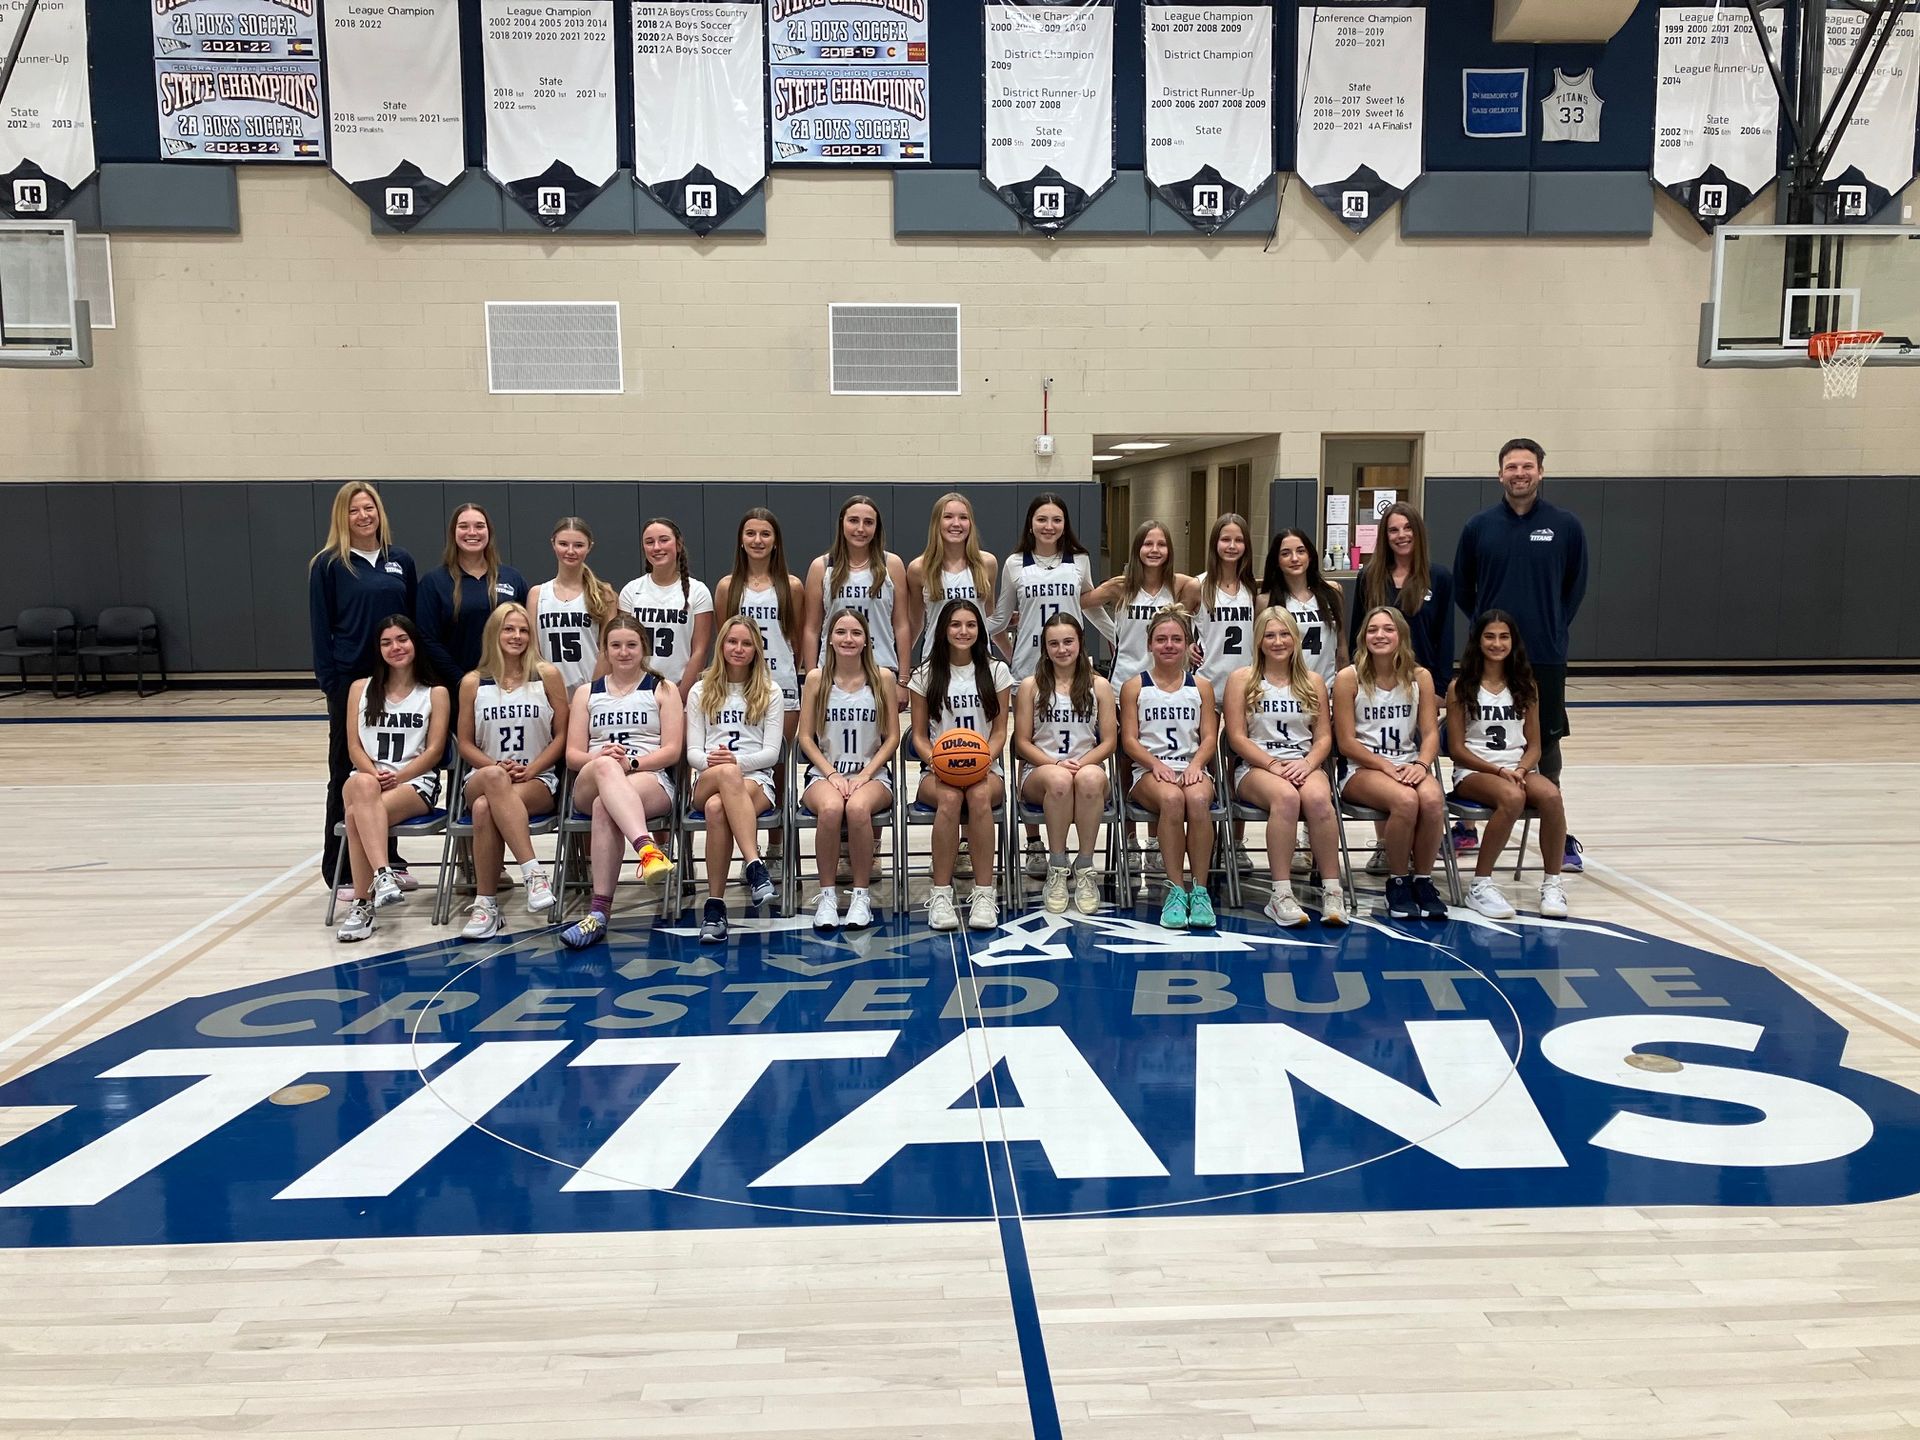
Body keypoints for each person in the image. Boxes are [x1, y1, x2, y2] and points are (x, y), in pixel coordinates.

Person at [1453, 438, 1589, 870]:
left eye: (1527, 467)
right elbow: (1463, 588)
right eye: (1511, 467)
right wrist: (1489, 630)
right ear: (1500, 475)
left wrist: (1546, 627)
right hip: (1488, 652)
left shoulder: (1565, 526)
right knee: (1476, 726)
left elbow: (1575, 587)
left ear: (1541, 472)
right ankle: (1465, 826)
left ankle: (1557, 830)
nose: (1519, 474)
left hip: (1544, 654)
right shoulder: (1479, 526)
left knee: (1545, 738)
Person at [990, 493, 1112, 880]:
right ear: (1030, 524)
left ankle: (1075, 857)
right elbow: (1001, 616)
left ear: (1065, 524)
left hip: (1072, 660)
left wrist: (1117, 634)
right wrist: (966, 640)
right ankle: (1035, 843)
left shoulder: (1079, 561)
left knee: (1076, 739)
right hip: (1029, 665)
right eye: (1042, 519)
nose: (1049, 526)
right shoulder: (1013, 564)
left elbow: (1088, 604)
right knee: (1033, 745)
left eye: (1056, 519)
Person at [310, 482, 418, 894]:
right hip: (351, 681)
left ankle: (388, 859)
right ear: (343, 516)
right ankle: (339, 867)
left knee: (388, 768)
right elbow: (320, 628)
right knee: (348, 770)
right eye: (354, 510)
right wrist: (331, 682)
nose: (363, 516)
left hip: (396, 681)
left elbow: (409, 624)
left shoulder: (400, 560)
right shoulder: (328, 565)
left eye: (369, 508)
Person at [1348, 502, 1467, 856]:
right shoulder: (1370, 576)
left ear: (1418, 533)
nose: (1401, 536)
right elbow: (1359, 631)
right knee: (1381, 756)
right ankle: (1389, 845)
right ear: (1385, 537)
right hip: (1376, 684)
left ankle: (1419, 849)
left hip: (1420, 684)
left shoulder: (1439, 577)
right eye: (1393, 530)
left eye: (1407, 529)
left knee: (1413, 761)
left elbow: (1446, 635)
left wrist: (1442, 687)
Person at [557, 615, 680, 950]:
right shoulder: (587, 693)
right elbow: (572, 755)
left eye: (631, 645)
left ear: (644, 648)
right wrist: (603, 758)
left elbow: (671, 750)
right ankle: (647, 848)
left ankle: (597, 915)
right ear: (605, 650)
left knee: (605, 805)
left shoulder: (663, 689)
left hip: (646, 778)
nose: (624, 652)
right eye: (616, 645)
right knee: (605, 769)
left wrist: (633, 762)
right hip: (590, 777)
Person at [1223, 607, 1346, 927]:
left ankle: (1332, 890)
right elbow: (1236, 737)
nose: (1277, 641)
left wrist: (1306, 764)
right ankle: (1280, 894)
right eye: (1270, 635)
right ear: (1259, 641)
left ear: (1296, 638)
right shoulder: (1241, 678)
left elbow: (1323, 738)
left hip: (1303, 764)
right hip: (1256, 768)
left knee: (1320, 800)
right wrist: (1273, 764)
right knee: (1287, 798)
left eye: (1284, 634)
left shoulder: (1313, 681)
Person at [1446, 610, 1571, 919]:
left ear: (1513, 642)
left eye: (1504, 637)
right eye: (1490, 636)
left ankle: (1552, 883)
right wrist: (1499, 771)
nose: (1497, 643)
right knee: (1512, 797)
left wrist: (1520, 769)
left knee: (1552, 796)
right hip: (1475, 772)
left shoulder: (1526, 685)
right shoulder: (1460, 687)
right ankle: (1480, 884)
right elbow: (1457, 749)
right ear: (1477, 641)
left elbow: (1536, 745)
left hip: (1517, 768)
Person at [453, 602, 567, 939]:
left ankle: (486, 904)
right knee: (491, 782)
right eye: (508, 629)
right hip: (483, 774)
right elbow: (465, 743)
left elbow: (561, 735)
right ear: (494, 633)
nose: (516, 636)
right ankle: (533, 873)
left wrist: (533, 768)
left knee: (486, 808)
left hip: (536, 779)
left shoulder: (547, 675)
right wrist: (494, 767)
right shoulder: (473, 682)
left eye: (523, 630)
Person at [335, 616, 449, 943]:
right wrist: (374, 774)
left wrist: (398, 776)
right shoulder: (361, 688)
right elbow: (354, 746)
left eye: (402, 639)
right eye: (386, 642)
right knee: (360, 787)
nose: (395, 648)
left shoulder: (435, 693)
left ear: (415, 643)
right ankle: (383, 876)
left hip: (414, 784)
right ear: (378, 649)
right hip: (366, 780)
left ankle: (362, 904)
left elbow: (436, 750)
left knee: (356, 814)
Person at [1088, 518, 1189, 875]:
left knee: (1158, 755)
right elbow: (1084, 601)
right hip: (1124, 684)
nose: (1155, 550)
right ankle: (1129, 839)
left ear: (1169, 550)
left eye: (1161, 544)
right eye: (1148, 544)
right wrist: (1111, 632)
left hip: (1165, 686)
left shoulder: (1179, 586)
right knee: (1127, 762)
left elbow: (1205, 600)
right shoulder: (1121, 586)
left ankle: (1156, 840)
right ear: (1137, 549)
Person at [1334, 606, 1448, 923]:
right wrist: (1384, 766)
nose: (1380, 635)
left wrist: (1422, 765)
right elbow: (1346, 743)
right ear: (1363, 636)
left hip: (1408, 762)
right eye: (1373, 630)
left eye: (1388, 629)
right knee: (1405, 799)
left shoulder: (1419, 677)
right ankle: (1397, 882)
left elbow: (1429, 732)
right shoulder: (1348, 678)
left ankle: (1423, 881)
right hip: (1362, 769)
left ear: (1401, 635)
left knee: (1433, 799)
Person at [909, 598, 1015, 932]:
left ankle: (984, 894)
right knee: (951, 798)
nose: (963, 631)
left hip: (985, 769)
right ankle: (941, 894)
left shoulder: (996, 671)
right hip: (936, 770)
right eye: (956, 624)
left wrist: (983, 760)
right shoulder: (924, 674)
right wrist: (938, 762)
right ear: (943, 630)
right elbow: (919, 736)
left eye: (971, 625)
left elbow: (1000, 732)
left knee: (979, 797)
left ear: (980, 630)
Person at [797, 607, 901, 932]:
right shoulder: (816, 679)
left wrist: (866, 774)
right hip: (826, 773)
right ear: (829, 639)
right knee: (830, 809)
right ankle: (827, 896)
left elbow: (893, 736)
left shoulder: (883, 678)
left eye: (856, 633)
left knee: (857, 809)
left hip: (871, 775)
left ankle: (860, 895)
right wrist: (831, 773)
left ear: (867, 640)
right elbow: (805, 737)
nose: (848, 639)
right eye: (841, 632)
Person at [1120, 606, 1220, 931]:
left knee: (1199, 799)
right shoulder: (1134, 686)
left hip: (1191, 767)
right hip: (1148, 773)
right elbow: (1130, 740)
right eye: (1161, 639)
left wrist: (1197, 764)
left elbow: (1208, 737)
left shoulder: (1201, 686)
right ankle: (1176, 890)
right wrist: (1154, 764)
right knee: (1173, 800)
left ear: (1188, 644)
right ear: (1149, 644)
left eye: (1176, 639)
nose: (1169, 645)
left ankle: (1200, 890)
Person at [685, 618, 785, 943]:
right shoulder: (701, 690)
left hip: (756, 782)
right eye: (732, 642)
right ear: (721, 645)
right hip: (707, 778)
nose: (738, 649)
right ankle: (754, 865)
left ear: (756, 648)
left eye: (745, 643)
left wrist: (735, 763)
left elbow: (771, 753)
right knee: (723, 780)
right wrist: (719, 764)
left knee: (717, 809)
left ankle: (715, 909)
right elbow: (692, 753)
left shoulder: (770, 691)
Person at [1013, 614, 1117, 915]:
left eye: (1068, 642)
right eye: (1054, 643)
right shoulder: (1031, 686)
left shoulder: (1100, 686)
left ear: (1080, 643)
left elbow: (1109, 742)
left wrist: (1081, 763)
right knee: (1059, 781)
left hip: (1087, 764)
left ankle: (1085, 866)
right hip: (1040, 770)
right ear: (1045, 649)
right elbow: (1022, 742)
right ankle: (1057, 866)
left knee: (1089, 780)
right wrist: (1056, 763)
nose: (1062, 649)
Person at [1180, 513, 1258, 872]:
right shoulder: (1199, 585)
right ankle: (1208, 840)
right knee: (1210, 764)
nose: (1231, 546)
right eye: (1225, 539)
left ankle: (1237, 843)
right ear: (1214, 544)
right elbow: (1177, 626)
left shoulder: (1253, 588)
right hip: (1209, 684)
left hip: (1245, 687)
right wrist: (1187, 650)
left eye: (1238, 540)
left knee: (1239, 762)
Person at [802, 495, 912, 697]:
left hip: (881, 669)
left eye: (868, 522)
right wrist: (812, 677)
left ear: (877, 528)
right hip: (832, 672)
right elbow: (811, 628)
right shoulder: (822, 566)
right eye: (853, 521)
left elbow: (902, 625)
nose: (861, 529)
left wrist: (903, 681)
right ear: (841, 523)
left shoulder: (892, 565)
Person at [714, 507, 806, 739]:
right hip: (738, 684)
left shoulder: (791, 586)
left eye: (765, 534)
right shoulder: (727, 587)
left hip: (780, 681)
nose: (757, 540)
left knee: (779, 763)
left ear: (776, 542)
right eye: (750, 534)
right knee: (742, 754)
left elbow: (797, 642)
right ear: (741, 541)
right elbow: (724, 639)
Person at [416, 502, 527, 688]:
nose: (472, 532)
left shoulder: (511, 578)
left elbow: (526, 631)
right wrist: (463, 681)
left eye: (479, 526)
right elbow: (427, 639)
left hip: (507, 687)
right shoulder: (434, 582)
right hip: (455, 688)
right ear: (453, 533)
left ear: (489, 532)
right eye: (464, 526)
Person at [620, 518, 713, 700]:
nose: (656, 547)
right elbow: (622, 646)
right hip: (636, 692)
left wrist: (680, 696)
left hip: (681, 691)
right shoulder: (631, 591)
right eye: (649, 542)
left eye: (664, 540)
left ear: (678, 545)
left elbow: (700, 651)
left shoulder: (698, 591)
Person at [527, 516, 619, 696]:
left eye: (578, 545)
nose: (570, 551)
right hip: (547, 694)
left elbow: (607, 651)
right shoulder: (537, 594)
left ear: (589, 546)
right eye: (563, 544)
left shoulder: (604, 594)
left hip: (591, 692)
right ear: (553, 544)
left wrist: (589, 694)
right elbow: (534, 652)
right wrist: (554, 696)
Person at [905, 492, 998, 664]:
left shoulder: (987, 563)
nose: (956, 524)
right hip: (936, 663)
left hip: (980, 662)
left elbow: (989, 617)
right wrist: (901, 669)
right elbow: (914, 624)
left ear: (971, 523)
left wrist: (1010, 655)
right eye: (948, 517)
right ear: (936, 523)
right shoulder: (918, 568)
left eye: (963, 517)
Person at [1259, 527, 1346, 689]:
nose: (1294, 558)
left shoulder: (1333, 592)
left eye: (1300, 551)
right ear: (1276, 561)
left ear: (1310, 556)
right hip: (1287, 693)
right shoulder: (1265, 601)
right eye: (1285, 553)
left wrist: (1343, 684)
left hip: (1327, 688)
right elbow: (1259, 652)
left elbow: (1341, 645)